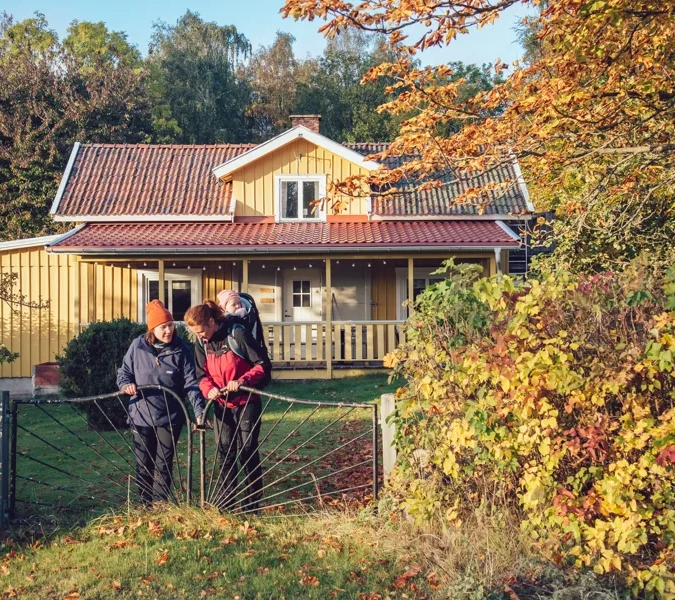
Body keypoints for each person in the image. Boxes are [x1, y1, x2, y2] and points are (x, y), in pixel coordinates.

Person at [185, 300, 272, 512]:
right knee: (225, 453)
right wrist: (209, 390)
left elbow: (263, 365)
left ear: (212, 322)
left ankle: (252, 505)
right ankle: (226, 504)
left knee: (247, 452)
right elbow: (201, 376)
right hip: (222, 406)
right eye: (195, 333)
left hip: (246, 403)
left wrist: (242, 381)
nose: (199, 336)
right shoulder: (201, 344)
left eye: (201, 332)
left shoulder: (238, 334)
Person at [117, 300, 205, 506]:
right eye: (163, 327)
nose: (168, 331)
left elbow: (191, 383)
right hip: (141, 414)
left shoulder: (181, 350)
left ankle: (159, 505)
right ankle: (145, 504)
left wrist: (199, 411)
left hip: (170, 416)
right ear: (152, 329)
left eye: (171, 325)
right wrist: (125, 384)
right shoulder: (137, 346)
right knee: (143, 463)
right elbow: (124, 373)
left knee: (163, 464)